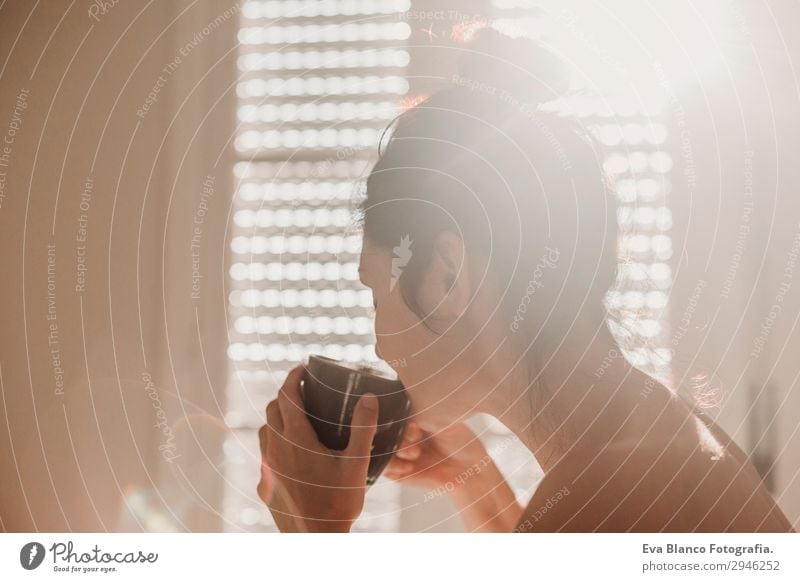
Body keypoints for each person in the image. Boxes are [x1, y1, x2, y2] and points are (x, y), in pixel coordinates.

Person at [256, 28, 794, 533]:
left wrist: (316, 532)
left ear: (446, 276)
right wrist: (479, 489)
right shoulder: (653, 444)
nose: (378, 342)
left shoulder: (599, 504)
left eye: (376, 296)